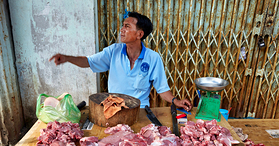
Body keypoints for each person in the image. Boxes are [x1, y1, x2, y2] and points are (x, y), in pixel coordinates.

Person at [49, 11, 192, 111]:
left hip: (140, 110)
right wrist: (67, 58)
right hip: (113, 109)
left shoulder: (153, 58)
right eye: (123, 25)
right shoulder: (114, 51)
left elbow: (162, 89)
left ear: (139, 34)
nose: (122, 30)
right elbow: (88, 61)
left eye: (127, 26)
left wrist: (176, 101)